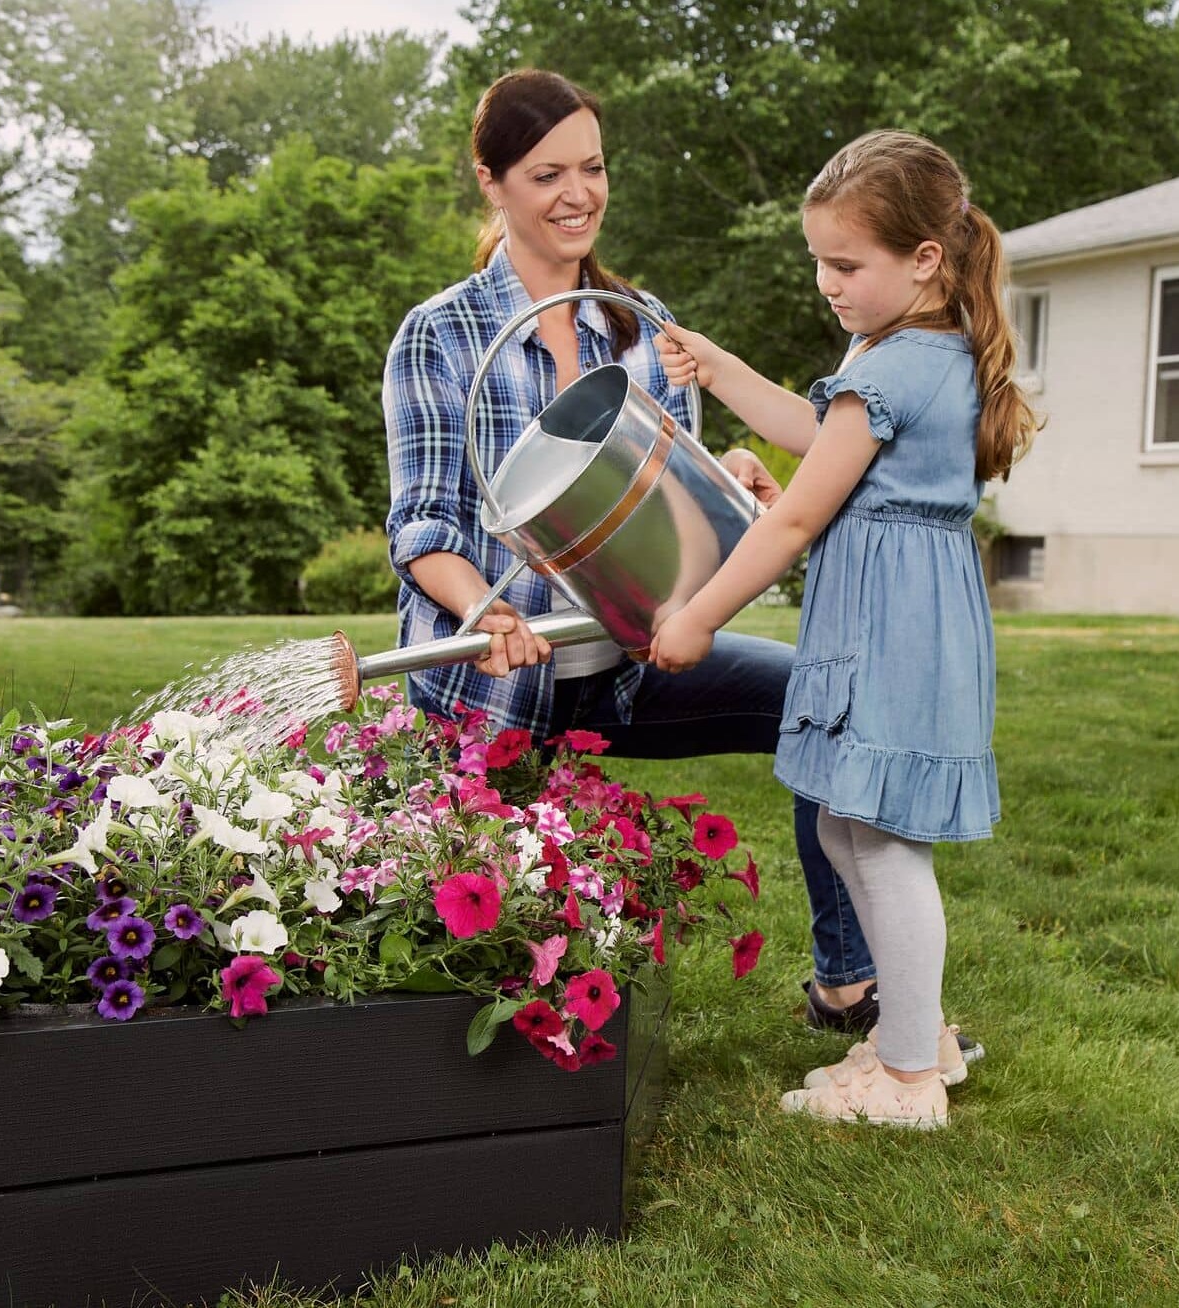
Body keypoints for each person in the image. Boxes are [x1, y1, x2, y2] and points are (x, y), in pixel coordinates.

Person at [382, 72, 983, 1060]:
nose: (579, 193)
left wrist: (730, 476)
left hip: (625, 667)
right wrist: (480, 617)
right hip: (501, 690)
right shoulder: (440, 335)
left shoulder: (638, 323)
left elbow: (674, 512)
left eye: (593, 167)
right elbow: (423, 527)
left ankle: (851, 987)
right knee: (493, 935)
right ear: (489, 183)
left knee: (816, 702)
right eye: (546, 174)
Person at [651, 130, 1036, 1128]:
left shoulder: (898, 365)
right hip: (895, 606)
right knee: (840, 822)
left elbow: (793, 516)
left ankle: (909, 1075)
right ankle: (914, 1036)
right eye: (817, 261)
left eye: (844, 264)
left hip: (891, 622)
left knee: (880, 837)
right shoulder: (906, 348)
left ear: (922, 260)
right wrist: (724, 367)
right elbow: (819, 444)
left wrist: (696, 614)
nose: (826, 282)